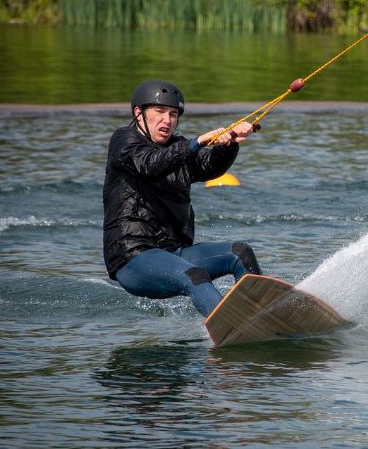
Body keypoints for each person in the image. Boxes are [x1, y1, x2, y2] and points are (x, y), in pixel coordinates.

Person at [103, 79, 261, 317]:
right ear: (138, 113)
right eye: (159, 112)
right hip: (133, 257)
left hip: (175, 253)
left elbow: (207, 167)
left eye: (173, 114)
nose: (167, 120)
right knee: (196, 275)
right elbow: (149, 165)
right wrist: (197, 142)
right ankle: (231, 324)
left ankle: (262, 313)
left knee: (240, 253)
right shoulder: (124, 141)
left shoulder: (177, 146)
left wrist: (228, 144)